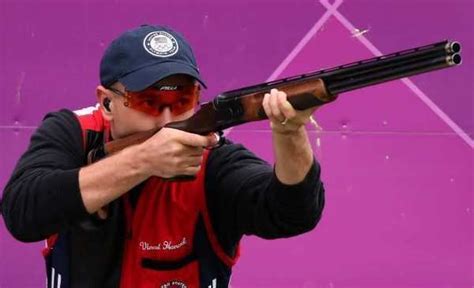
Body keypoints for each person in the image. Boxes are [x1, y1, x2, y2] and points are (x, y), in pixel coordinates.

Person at [1, 24, 325, 288]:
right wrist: (143, 161)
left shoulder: (214, 158)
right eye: (149, 102)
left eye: (183, 100)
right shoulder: (73, 132)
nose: (168, 120)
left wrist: (288, 133)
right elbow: (23, 212)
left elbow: (293, 212)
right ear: (107, 103)